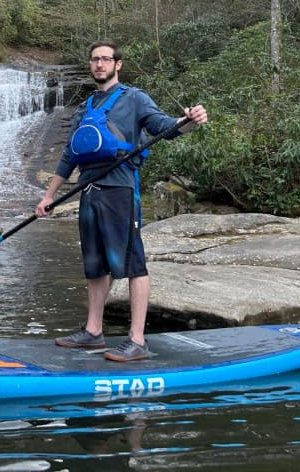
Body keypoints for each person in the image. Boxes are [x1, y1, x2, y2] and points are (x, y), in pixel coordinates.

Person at [35, 41, 207, 362]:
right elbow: (69, 155)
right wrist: (49, 195)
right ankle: (93, 332)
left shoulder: (135, 99)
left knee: (133, 263)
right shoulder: (85, 107)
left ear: (118, 64)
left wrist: (188, 121)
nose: (99, 64)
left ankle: (137, 340)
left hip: (120, 191)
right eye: (95, 59)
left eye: (105, 59)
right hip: (88, 191)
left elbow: (163, 127)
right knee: (95, 265)